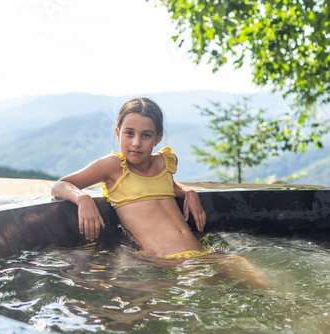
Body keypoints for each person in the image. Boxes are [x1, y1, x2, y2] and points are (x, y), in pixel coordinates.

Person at [52, 97, 266, 287]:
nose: (136, 143)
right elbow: (59, 185)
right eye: (129, 133)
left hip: (203, 254)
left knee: (264, 286)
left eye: (146, 135)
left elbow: (164, 186)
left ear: (158, 138)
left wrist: (188, 191)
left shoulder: (163, 163)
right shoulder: (113, 166)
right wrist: (83, 198)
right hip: (166, 262)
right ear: (117, 133)